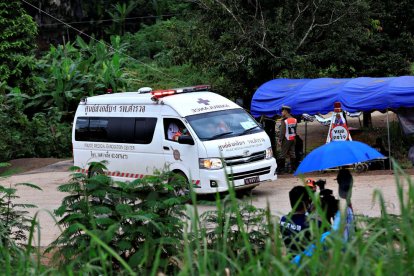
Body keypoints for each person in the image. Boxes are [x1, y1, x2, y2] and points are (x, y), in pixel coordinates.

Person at [280, 186, 311, 253]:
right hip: (305, 260)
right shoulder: (309, 223)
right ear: (306, 202)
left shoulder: (283, 220)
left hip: (291, 259)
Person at [336, 168, 355, 241]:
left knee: (345, 217)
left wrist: (339, 178)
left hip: (344, 198)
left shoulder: (344, 178)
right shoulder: (349, 176)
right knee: (350, 215)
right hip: (348, 198)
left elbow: (343, 186)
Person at [278, 105, 297, 173]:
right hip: (293, 138)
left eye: (282, 111)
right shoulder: (294, 119)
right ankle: (293, 169)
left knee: (283, 153)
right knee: (292, 153)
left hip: (286, 138)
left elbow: (282, 132)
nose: (281, 113)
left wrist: (280, 139)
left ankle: (281, 170)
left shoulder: (284, 121)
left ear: (286, 112)